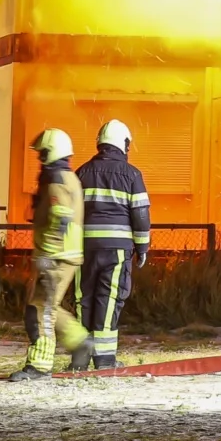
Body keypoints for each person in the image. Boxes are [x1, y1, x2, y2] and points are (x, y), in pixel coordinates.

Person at [74, 118, 152, 370]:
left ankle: (80, 358)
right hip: (117, 249)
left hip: (83, 248)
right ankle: (105, 359)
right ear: (125, 144)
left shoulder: (82, 172)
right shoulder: (132, 175)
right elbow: (140, 214)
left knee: (82, 297)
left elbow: (70, 212)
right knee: (108, 298)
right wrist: (142, 248)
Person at [10, 127, 86, 380]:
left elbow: (59, 219)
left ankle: (40, 365)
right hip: (66, 253)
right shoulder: (68, 178)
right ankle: (82, 343)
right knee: (50, 307)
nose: (39, 159)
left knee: (39, 310)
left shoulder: (55, 181)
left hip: (55, 255)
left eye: (42, 153)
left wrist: (46, 258)